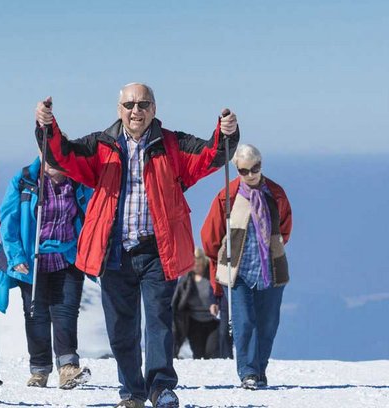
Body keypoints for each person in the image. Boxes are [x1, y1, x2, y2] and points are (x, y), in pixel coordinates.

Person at [34, 83, 239, 408]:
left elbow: (210, 156)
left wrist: (225, 132)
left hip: (158, 250)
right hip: (114, 251)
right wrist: (47, 126)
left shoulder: (171, 144)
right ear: (119, 109)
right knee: (120, 328)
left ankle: (160, 388)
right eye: (129, 104)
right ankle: (132, 393)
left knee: (159, 321)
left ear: (154, 109)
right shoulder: (101, 144)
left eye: (143, 104)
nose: (136, 111)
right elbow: (63, 155)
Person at [0, 156, 93, 389]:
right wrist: (15, 256)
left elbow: (90, 214)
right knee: (36, 315)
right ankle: (39, 370)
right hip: (31, 259)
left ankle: (68, 367)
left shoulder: (78, 182)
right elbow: (8, 219)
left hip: (67, 256)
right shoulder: (25, 180)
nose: (51, 159)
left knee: (66, 312)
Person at [201, 144, 292, 390]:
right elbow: (210, 238)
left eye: (256, 168)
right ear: (237, 170)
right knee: (244, 322)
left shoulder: (275, 193)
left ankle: (260, 370)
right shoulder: (227, 197)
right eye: (244, 170)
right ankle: (248, 372)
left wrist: (273, 247)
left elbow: (285, 227)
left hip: (271, 271)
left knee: (268, 323)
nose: (250, 174)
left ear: (261, 164)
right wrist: (217, 270)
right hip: (239, 272)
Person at [172, 248, 219, 360]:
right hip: (194, 322)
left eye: (198, 265)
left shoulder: (212, 276)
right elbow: (177, 300)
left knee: (211, 353)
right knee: (198, 355)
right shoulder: (186, 279)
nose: (196, 268)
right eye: (194, 265)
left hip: (213, 322)